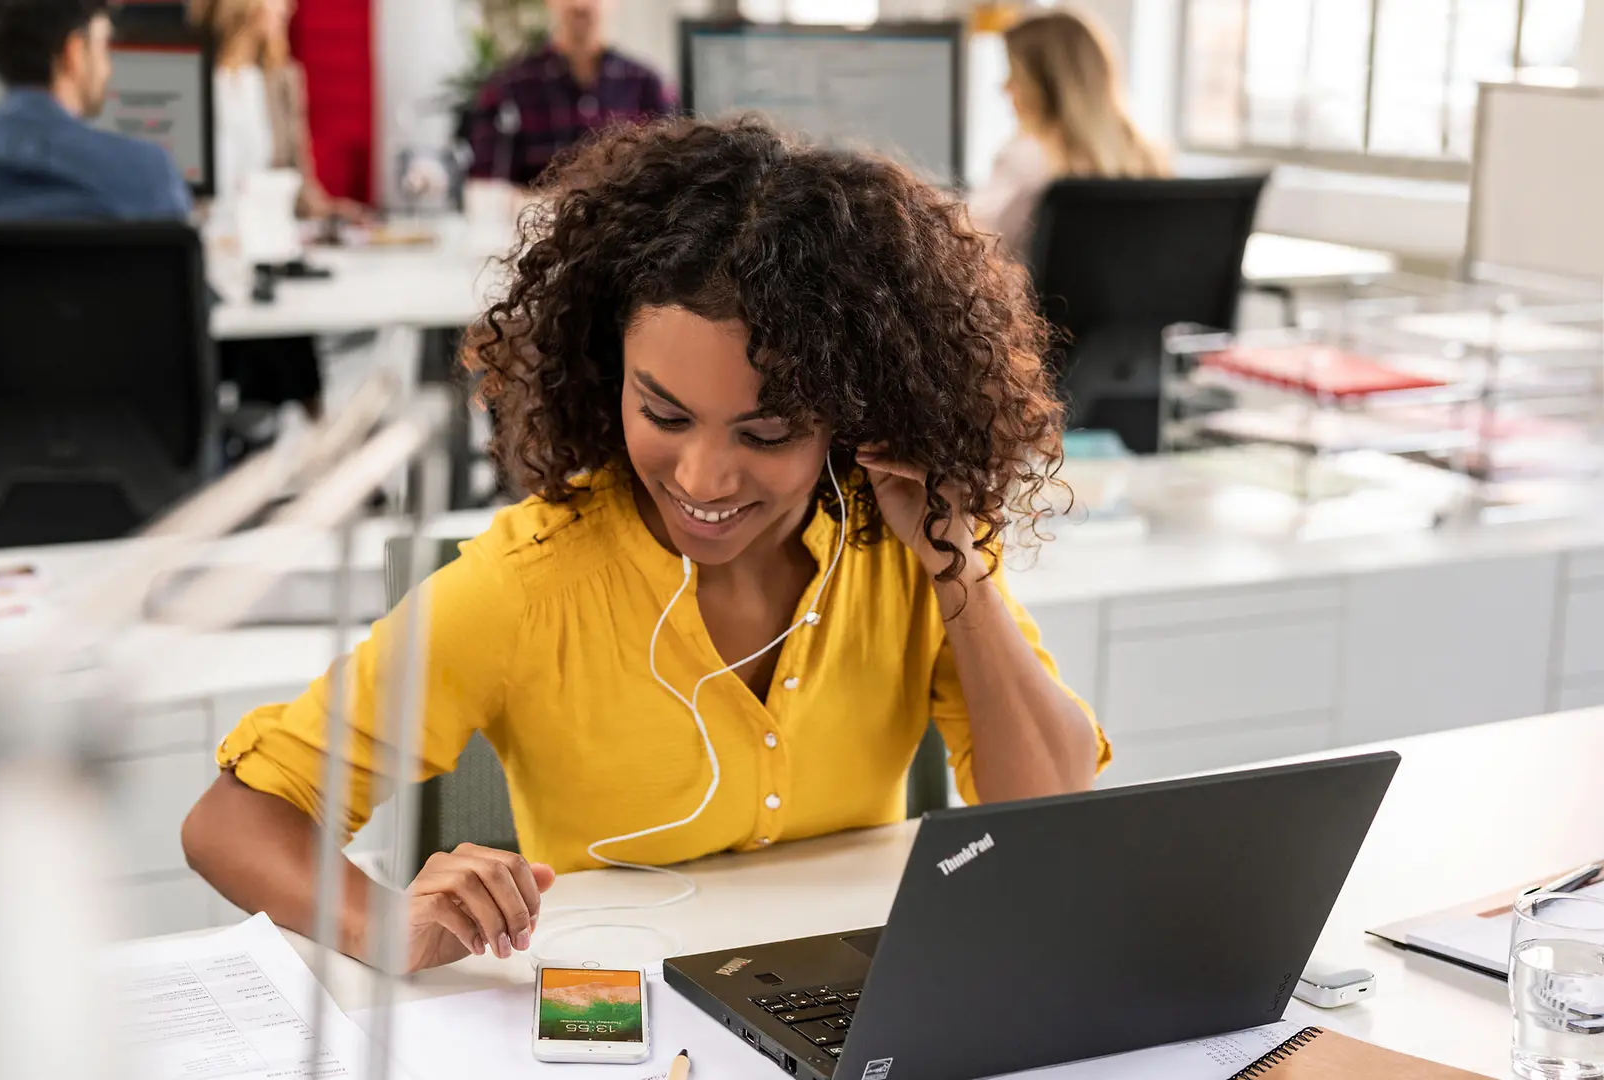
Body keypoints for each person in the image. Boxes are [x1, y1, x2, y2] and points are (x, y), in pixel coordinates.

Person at [181, 117, 1110, 973]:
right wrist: (383, 927)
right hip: (617, 1016)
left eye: (766, 432)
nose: (703, 479)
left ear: (852, 415)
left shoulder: (899, 551)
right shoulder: (527, 586)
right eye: (663, 413)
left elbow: (1050, 822)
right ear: (605, 370)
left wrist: (956, 561)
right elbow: (234, 820)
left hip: (851, 1002)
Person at [191, 0, 363, 420]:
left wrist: (336, 212)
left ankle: (293, 458)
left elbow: (300, 185)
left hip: (262, 256)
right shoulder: (188, 75)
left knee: (280, 349)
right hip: (207, 255)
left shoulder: (281, 78)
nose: (288, 10)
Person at [0, 0, 188, 221]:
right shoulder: (148, 173)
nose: (108, 69)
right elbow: (181, 299)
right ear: (73, 52)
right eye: (103, 47)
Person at [969, 8, 1166, 263]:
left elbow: (967, 248)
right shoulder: (1148, 161)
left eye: (1015, 75)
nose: (1005, 87)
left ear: (1046, 85)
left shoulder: (1027, 159)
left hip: (1039, 303)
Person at [465, 0, 676, 188]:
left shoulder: (648, 85)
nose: (580, 5)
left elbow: (668, 177)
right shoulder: (507, 88)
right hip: (535, 224)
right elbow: (486, 186)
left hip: (623, 227)